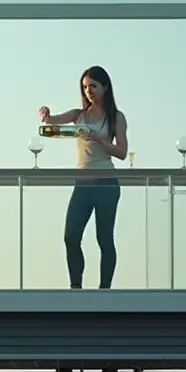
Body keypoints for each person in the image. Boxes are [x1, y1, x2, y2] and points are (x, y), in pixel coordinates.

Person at [38, 66, 130, 289]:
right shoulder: (78, 115)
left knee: (104, 239)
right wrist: (45, 114)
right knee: (71, 236)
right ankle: (76, 287)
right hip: (82, 183)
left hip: (106, 182)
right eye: (85, 87)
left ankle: (104, 289)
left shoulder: (116, 117)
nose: (89, 91)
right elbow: (51, 123)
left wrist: (99, 140)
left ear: (105, 87)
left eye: (94, 86)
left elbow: (122, 152)